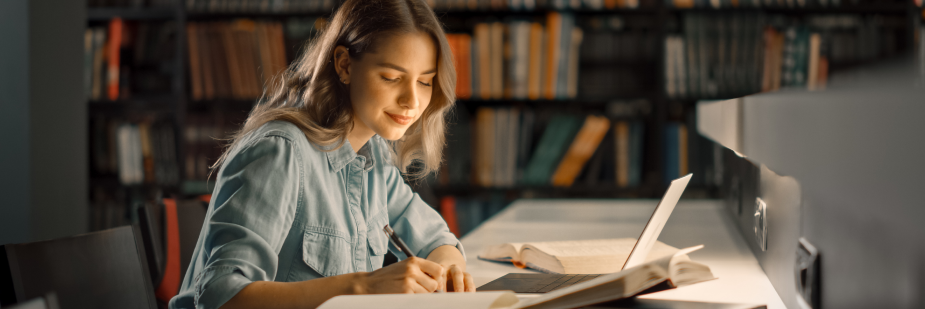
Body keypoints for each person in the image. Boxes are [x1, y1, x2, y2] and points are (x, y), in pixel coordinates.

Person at [168, 1, 473, 308]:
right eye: (391, 78)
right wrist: (364, 288)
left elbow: (435, 238)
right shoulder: (279, 152)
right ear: (344, 65)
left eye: (425, 81)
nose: (412, 100)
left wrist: (450, 269)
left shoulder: (374, 156)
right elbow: (220, 296)